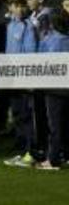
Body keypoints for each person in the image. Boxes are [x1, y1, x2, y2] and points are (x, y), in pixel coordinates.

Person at [2, 0, 40, 168]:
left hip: (24, 78)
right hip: (11, 78)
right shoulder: (10, 26)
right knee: (17, 115)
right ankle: (24, 150)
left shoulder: (28, 26)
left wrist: (28, 78)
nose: (18, 8)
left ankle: (31, 152)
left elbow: (30, 53)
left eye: (21, 5)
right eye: (15, 5)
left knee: (26, 116)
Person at [37, 9, 69, 170]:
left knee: (55, 125)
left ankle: (53, 159)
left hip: (54, 89)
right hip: (67, 87)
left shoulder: (48, 40)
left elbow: (40, 62)